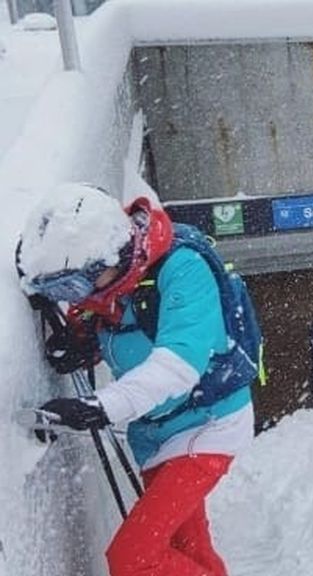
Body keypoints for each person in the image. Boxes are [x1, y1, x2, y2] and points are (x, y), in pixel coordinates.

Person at [17, 183, 257, 576]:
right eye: (61, 289)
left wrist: (101, 407)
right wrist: (82, 344)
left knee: (132, 559)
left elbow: (179, 363)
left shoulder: (184, 268)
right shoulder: (112, 278)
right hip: (155, 433)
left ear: (109, 258)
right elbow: (118, 329)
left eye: (73, 285)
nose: (74, 296)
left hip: (208, 425)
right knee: (189, 551)